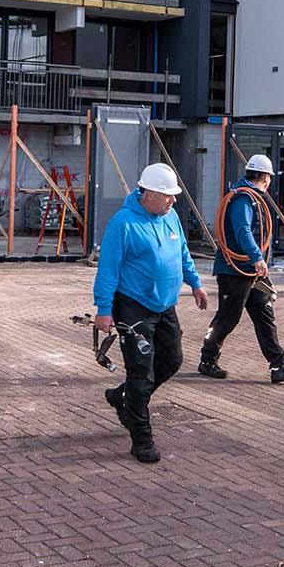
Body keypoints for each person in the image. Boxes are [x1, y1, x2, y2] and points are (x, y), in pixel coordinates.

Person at [92, 161, 208, 463]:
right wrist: (104, 310)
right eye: (167, 195)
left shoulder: (171, 218)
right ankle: (141, 437)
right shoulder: (123, 223)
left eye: (173, 195)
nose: (173, 200)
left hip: (165, 304)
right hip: (133, 306)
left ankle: (123, 397)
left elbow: (182, 252)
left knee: (172, 360)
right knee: (141, 372)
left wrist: (195, 284)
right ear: (148, 193)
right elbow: (108, 270)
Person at [197, 153, 284, 384]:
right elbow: (243, 230)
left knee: (265, 316)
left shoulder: (253, 198)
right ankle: (207, 359)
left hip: (252, 272)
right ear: (266, 177)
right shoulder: (243, 199)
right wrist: (257, 257)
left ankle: (279, 365)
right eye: (270, 177)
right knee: (228, 317)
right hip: (234, 270)